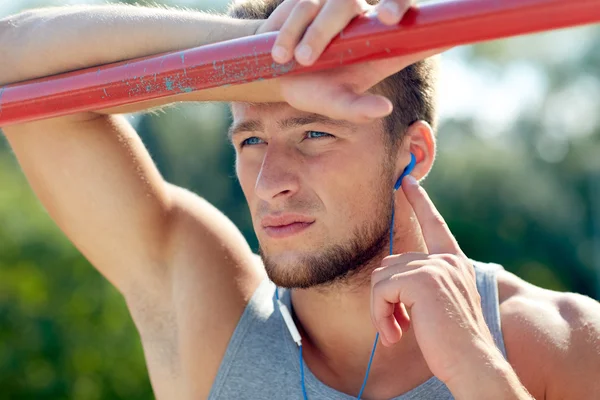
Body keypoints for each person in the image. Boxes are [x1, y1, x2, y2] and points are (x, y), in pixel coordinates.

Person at [1, 0, 599, 399]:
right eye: (252, 140)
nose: (270, 182)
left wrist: (476, 368)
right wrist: (260, 58)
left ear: (411, 154)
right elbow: (12, 60)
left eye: (315, 133)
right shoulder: (210, 318)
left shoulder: (557, 339)